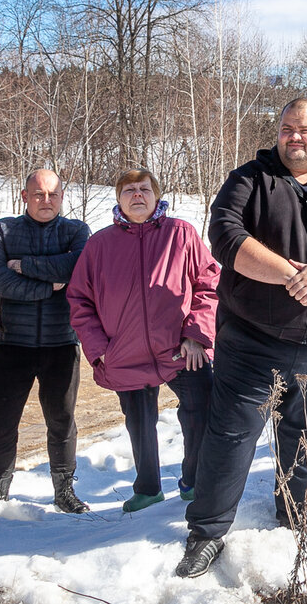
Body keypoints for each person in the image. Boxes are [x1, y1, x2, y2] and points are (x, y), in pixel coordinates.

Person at [175, 98, 307, 579]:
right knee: (232, 438)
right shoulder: (249, 180)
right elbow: (226, 238)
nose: (295, 136)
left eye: (305, 129)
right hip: (254, 341)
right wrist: (291, 275)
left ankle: (298, 519)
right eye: (287, 128)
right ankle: (207, 532)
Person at [68, 168, 220, 514]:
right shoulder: (99, 245)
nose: (138, 195)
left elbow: (209, 285)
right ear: (119, 198)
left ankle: (194, 480)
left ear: (157, 195)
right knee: (139, 421)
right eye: (129, 190)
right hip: (125, 352)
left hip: (182, 348)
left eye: (145, 189)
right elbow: (79, 301)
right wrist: (99, 350)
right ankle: (148, 488)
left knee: (201, 410)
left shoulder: (180, 234)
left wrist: (196, 335)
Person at [0, 169, 91, 513]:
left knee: (62, 420)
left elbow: (77, 267)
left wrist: (24, 265)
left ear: (62, 197)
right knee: (1, 422)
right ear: (24, 196)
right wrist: (44, 286)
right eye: (38, 194)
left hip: (61, 342)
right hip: (13, 344)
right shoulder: (3, 230)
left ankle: (64, 491)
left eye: (53, 194)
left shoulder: (76, 231)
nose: (46, 201)